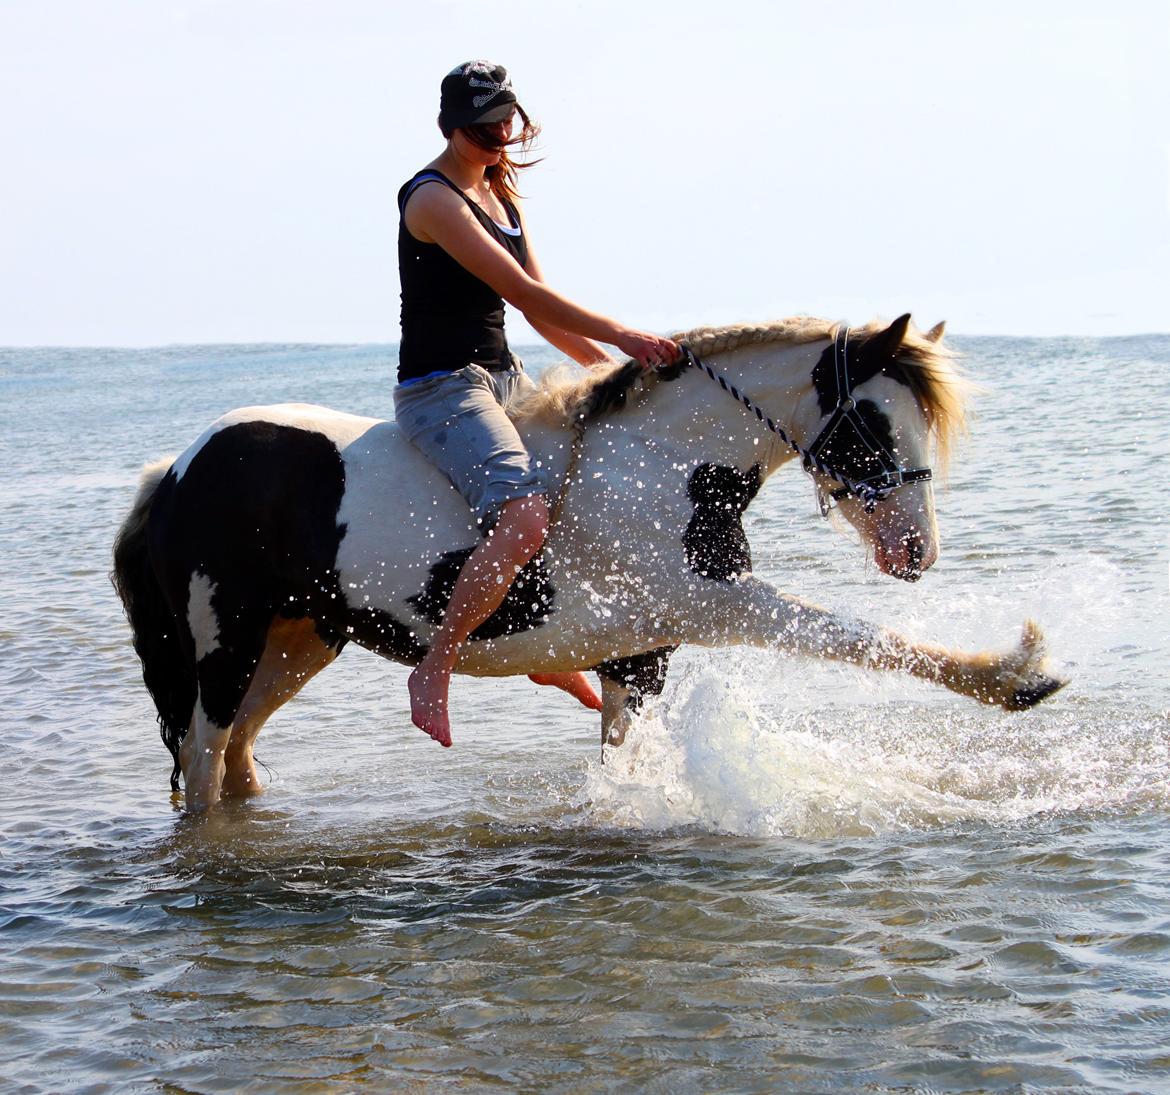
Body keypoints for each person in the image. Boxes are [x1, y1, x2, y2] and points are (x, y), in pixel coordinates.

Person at [395, 60, 679, 747]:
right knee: (524, 517)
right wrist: (624, 334)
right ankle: (435, 664)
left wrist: (612, 374)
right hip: (441, 387)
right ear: (451, 126)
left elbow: (540, 318)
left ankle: (551, 654)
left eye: (505, 123)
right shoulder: (431, 199)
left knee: (598, 491)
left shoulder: (502, 196)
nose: (499, 138)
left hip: (505, 376)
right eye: (484, 128)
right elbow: (525, 294)